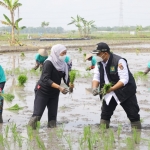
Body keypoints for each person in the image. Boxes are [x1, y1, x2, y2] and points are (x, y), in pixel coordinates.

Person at [92, 42, 141, 129]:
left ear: (105, 53)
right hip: (109, 93)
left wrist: (112, 88)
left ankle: (137, 136)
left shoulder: (119, 61)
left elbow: (124, 80)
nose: (96, 57)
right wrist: (94, 88)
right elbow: (96, 77)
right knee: (105, 115)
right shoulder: (99, 63)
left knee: (133, 115)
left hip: (125, 92)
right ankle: (103, 134)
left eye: (98, 54)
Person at [28, 44, 74, 129]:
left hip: (54, 93)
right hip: (43, 91)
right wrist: (60, 87)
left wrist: (70, 84)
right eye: (62, 53)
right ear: (56, 53)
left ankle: (52, 137)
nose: (64, 55)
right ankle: (31, 133)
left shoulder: (63, 65)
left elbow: (66, 79)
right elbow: (45, 79)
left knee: (53, 117)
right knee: (37, 115)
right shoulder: (49, 63)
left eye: (65, 53)